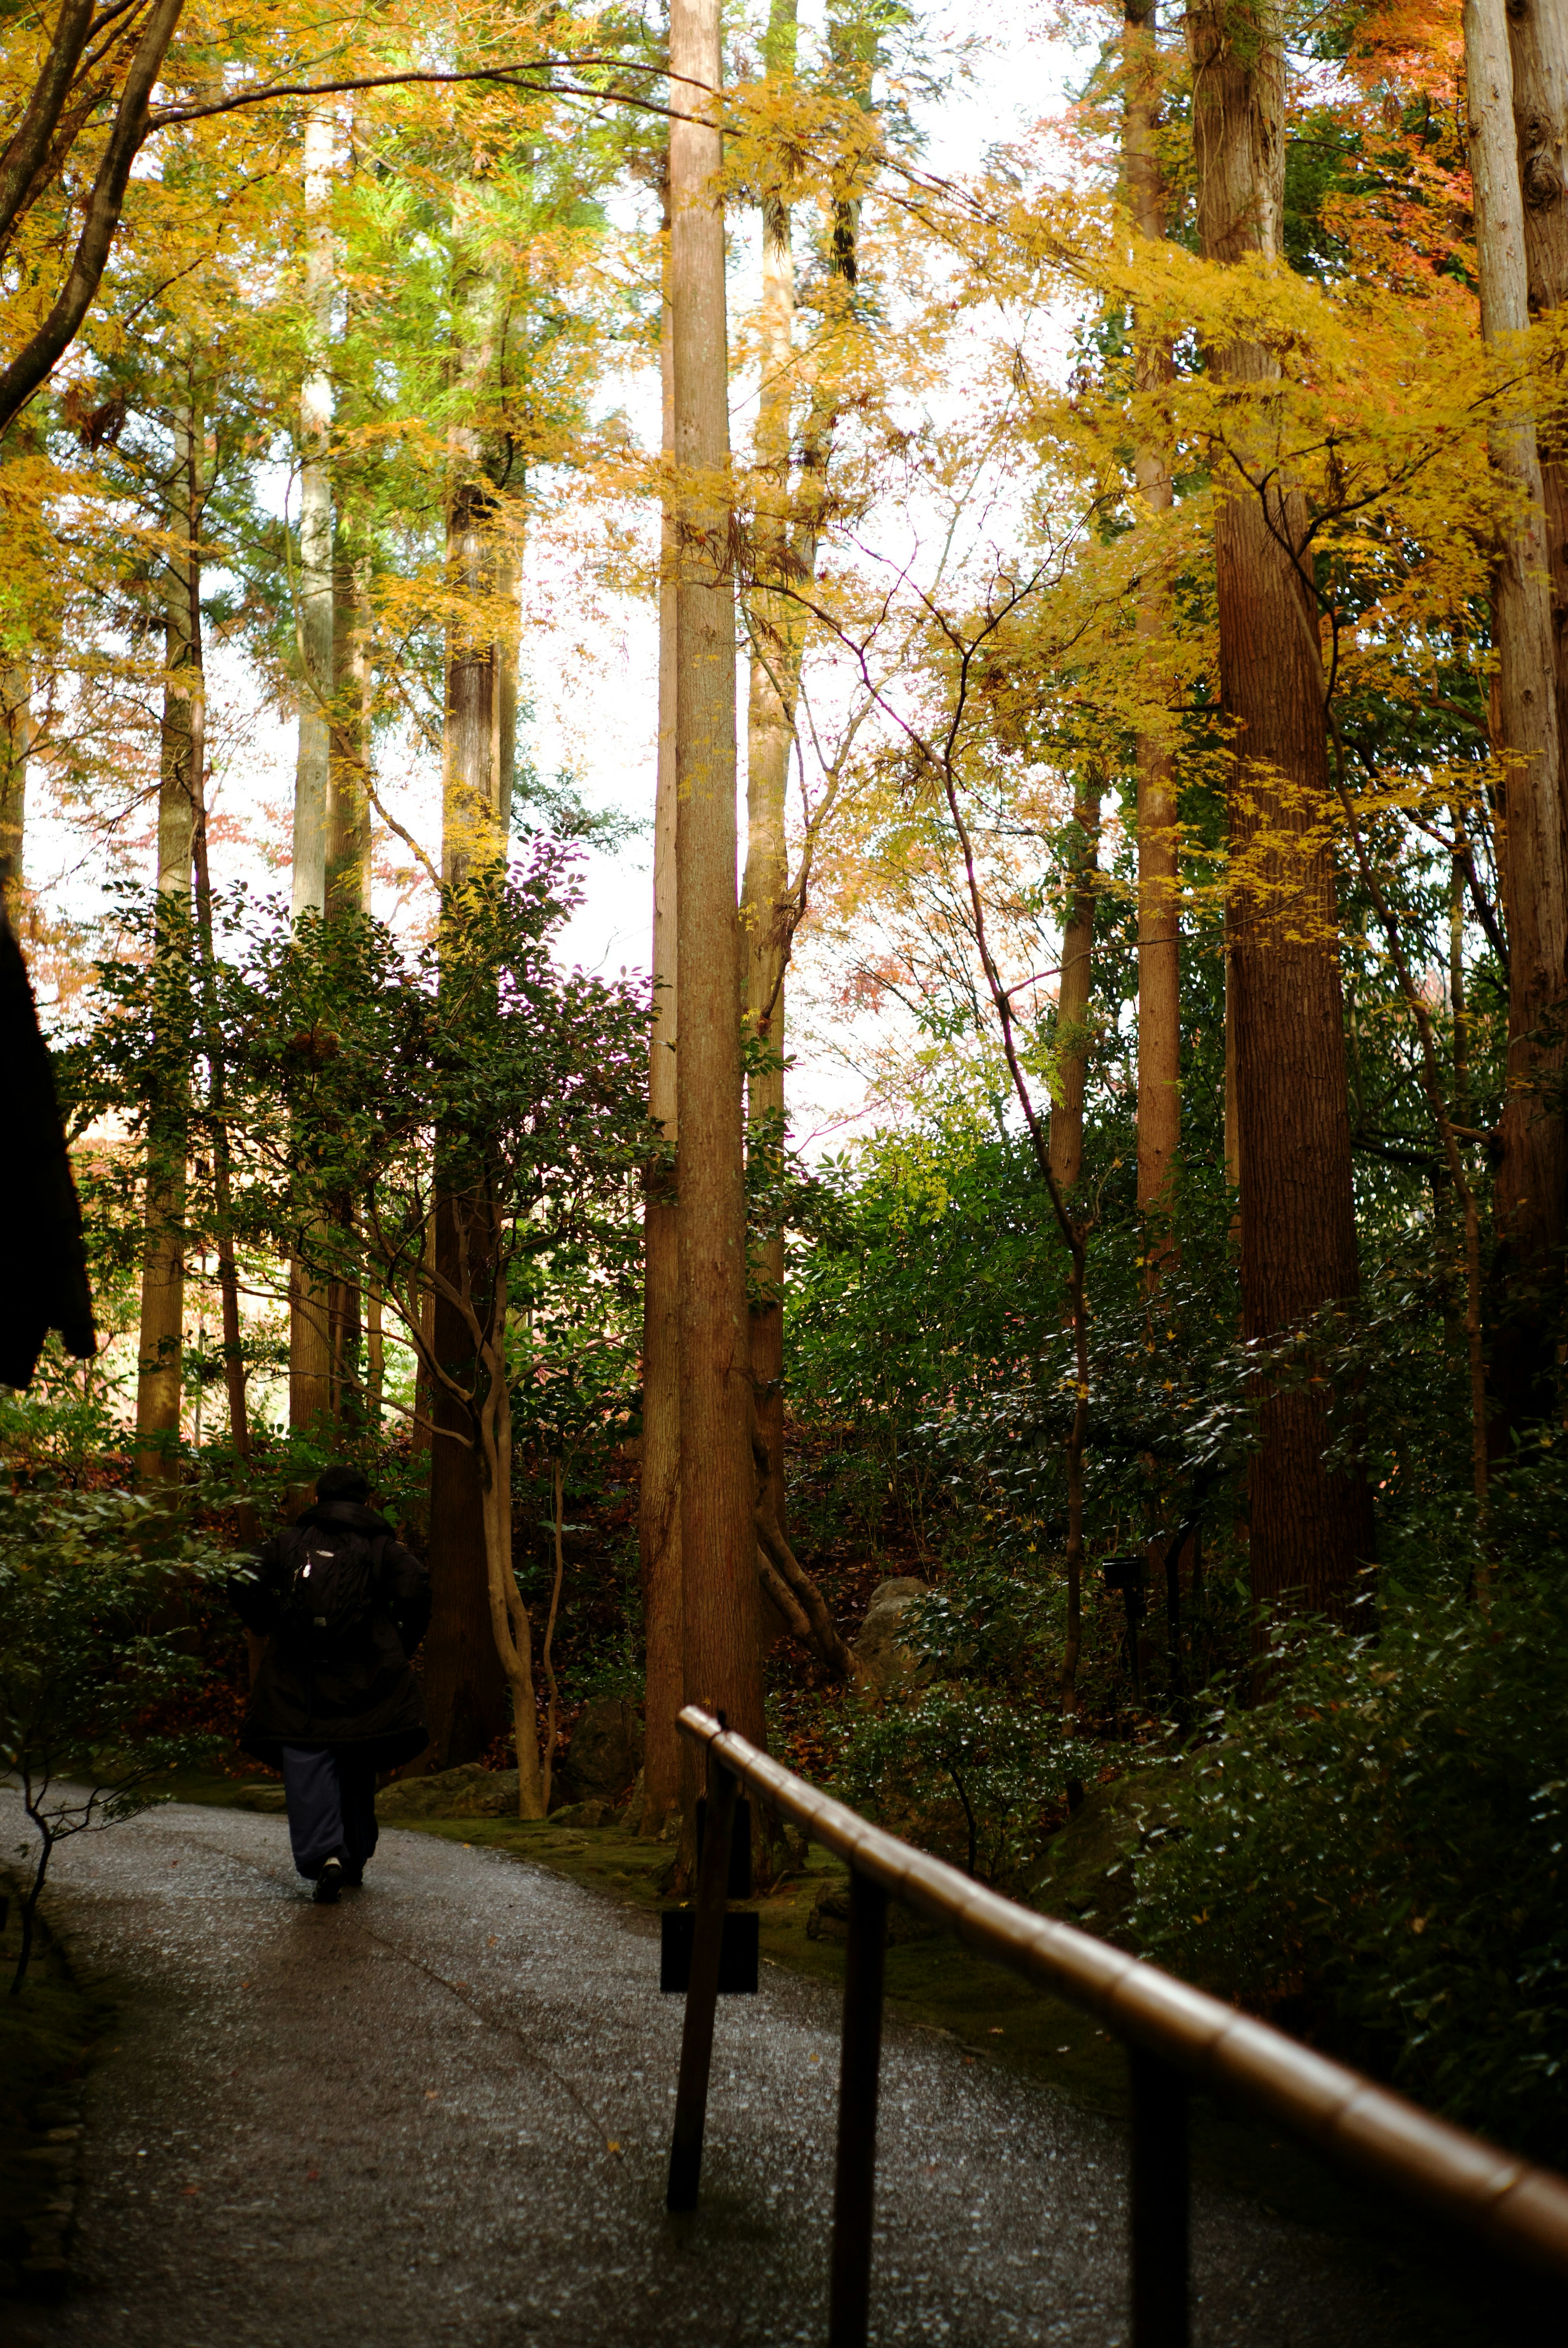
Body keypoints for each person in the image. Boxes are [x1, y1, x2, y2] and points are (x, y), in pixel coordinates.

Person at [231, 1465, 430, 1904]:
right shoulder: (380, 1544)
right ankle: (354, 1855)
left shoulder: (288, 1542)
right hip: (365, 1676)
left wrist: (266, 1622)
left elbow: (240, 1573)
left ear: (317, 1496)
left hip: (296, 1674)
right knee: (358, 1756)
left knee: (307, 1758)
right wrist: (399, 1639)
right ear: (366, 1499)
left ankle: (327, 1856)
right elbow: (417, 1584)